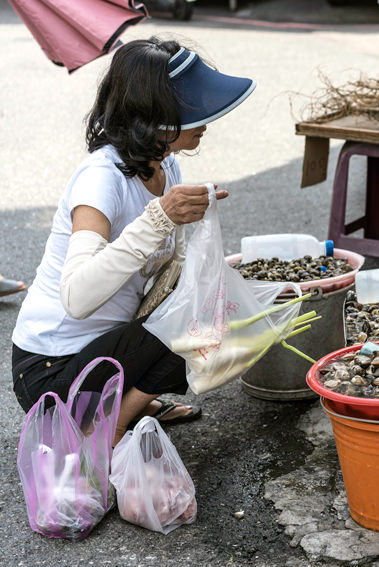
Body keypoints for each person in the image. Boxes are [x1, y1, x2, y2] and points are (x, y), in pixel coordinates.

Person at [11, 37, 256, 444]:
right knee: (185, 327)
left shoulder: (166, 166)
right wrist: (158, 219)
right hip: (51, 373)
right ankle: (107, 433)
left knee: (210, 309)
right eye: (193, 109)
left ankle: (125, 405)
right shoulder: (101, 179)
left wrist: (211, 272)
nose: (207, 119)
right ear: (152, 116)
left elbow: (162, 276)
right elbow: (76, 296)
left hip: (105, 352)